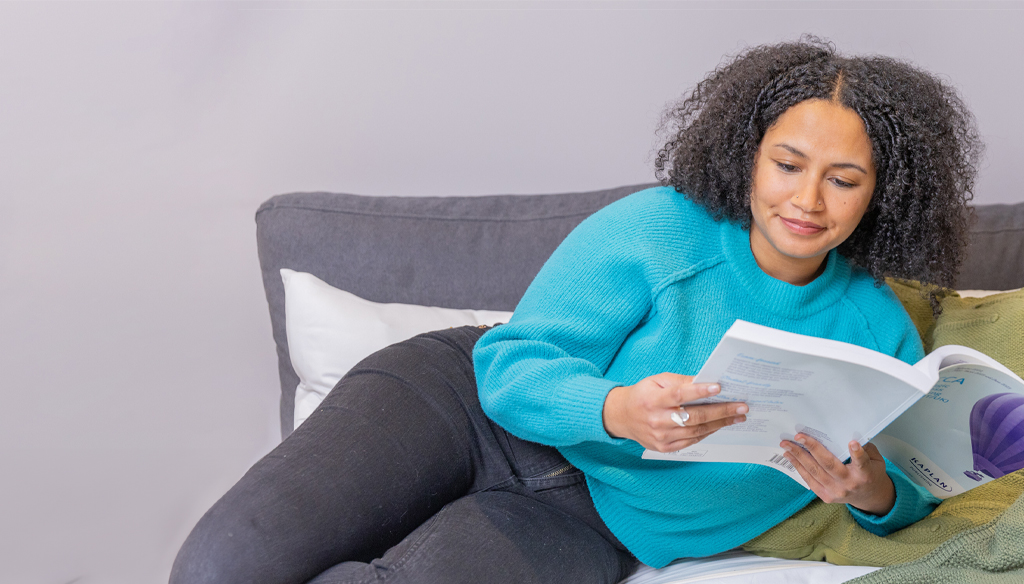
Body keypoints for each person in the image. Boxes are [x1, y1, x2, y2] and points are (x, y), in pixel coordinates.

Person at [170, 38, 982, 584]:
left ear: (883, 196)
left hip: (590, 521)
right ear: (747, 155)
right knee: (224, 566)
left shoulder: (879, 330)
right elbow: (510, 367)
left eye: (843, 179)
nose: (808, 199)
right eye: (787, 163)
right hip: (471, 410)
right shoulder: (659, 228)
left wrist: (871, 492)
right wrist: (617, 408)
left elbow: (909, 494)